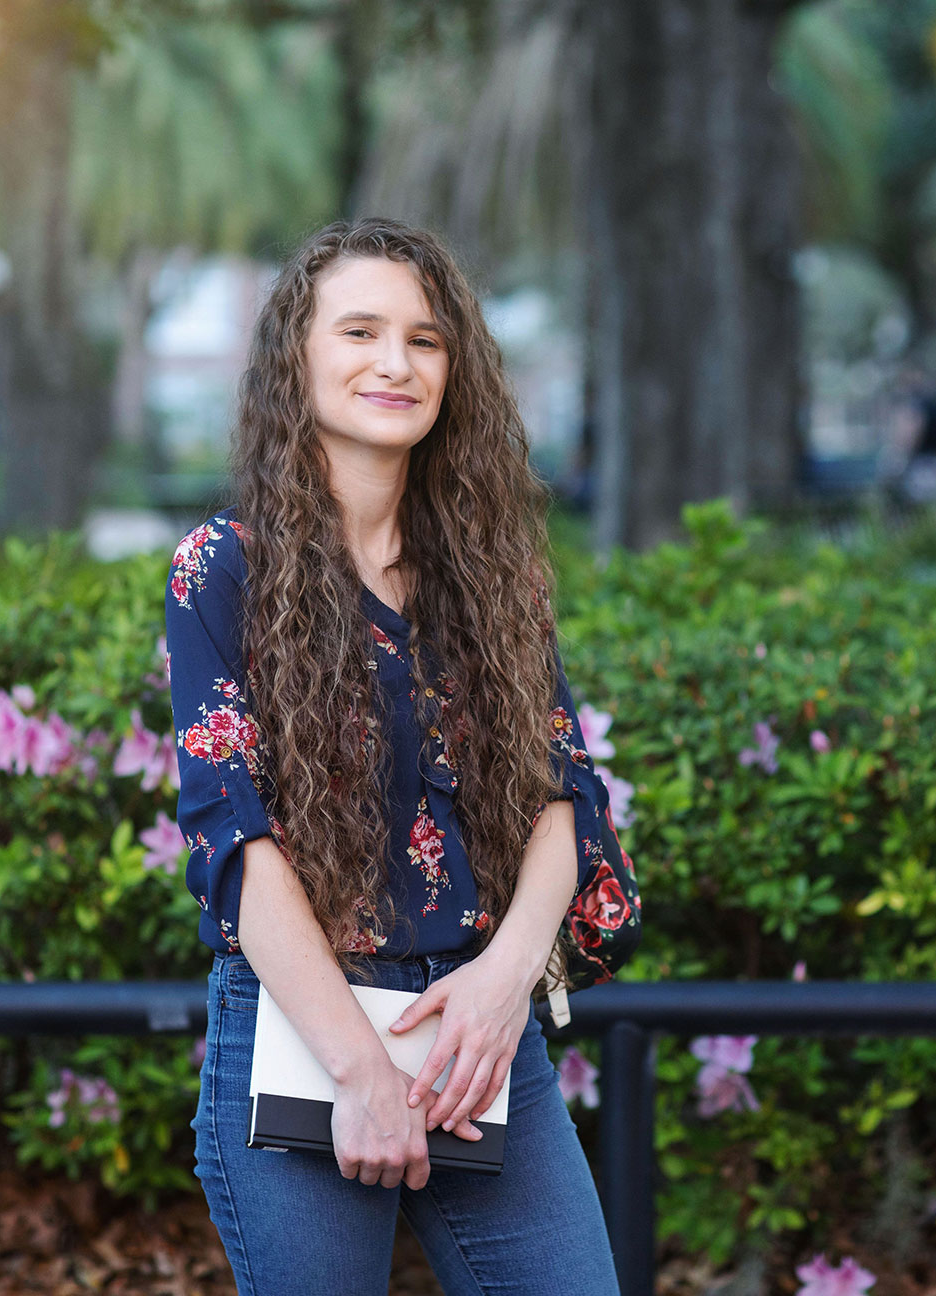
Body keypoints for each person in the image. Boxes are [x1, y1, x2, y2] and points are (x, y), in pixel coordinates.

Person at [166, 217, 623, 1296]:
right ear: (301, 357)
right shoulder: (221, 569)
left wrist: (505, 984)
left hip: (478, 1033)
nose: (395, 363)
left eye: (424, 339)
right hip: (304, 1033)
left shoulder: (491, 569)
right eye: (360, 331)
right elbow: (239, 841)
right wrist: (363, 1072)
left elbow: (565, 789)